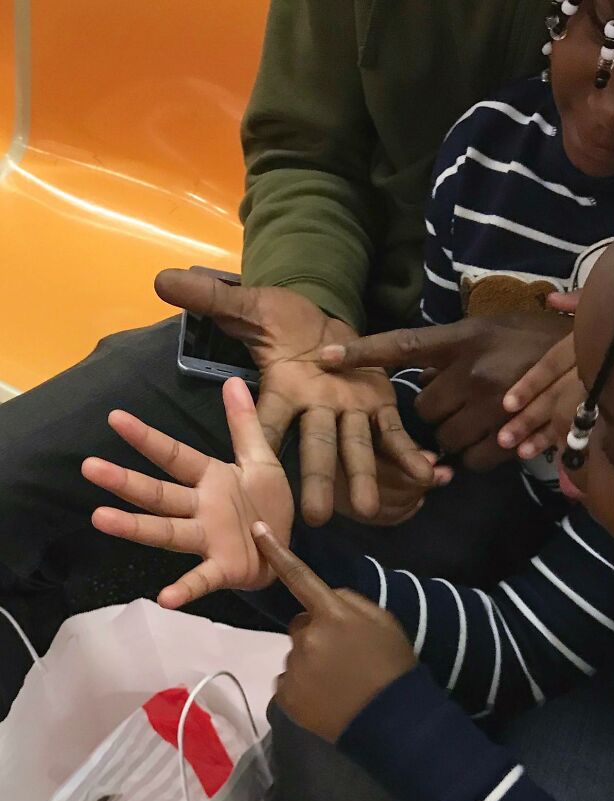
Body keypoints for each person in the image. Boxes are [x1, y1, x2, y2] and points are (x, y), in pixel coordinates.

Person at [83, 163, 614, 801]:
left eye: (612, 440)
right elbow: (516, 642)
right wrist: (283, 553)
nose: (563, 432)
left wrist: (409, 734)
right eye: (574, 376)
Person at [0, 0, 554, 707]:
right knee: (21, 479)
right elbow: (307, 150)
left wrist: (596, 346)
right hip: (343, 341)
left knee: (349, 774)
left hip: (603, 457)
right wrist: (313, 304)